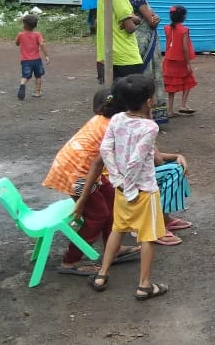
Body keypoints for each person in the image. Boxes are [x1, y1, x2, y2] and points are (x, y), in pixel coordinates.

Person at [85, 74, 169, 300]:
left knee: (118, 229)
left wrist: (117, 180)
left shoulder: (117, 119)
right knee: (148, 237)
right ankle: (144, 285)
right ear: (149, 101)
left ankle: (102, 275)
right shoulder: (150, 128)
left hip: (121, 189)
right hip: (142, 191)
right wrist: (129, 185)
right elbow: (137, 161)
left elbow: (105, 150)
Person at [43, 89, 141, 276]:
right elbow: (100, 165)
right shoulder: (112, 129)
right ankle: (70, 261)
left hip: (82, 169)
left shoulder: (104, 119)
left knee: (112, 201)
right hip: (76, 175)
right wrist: (81, 201)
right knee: (98, 216)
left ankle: (114, 248)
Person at [126, 0, 168, 123]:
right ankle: (149, 114)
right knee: (149, 76)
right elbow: (152, 21)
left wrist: (154, 18)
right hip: (144, 42)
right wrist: (155, 19)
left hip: (139, 41)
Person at [162, 5, 197, 117]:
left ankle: (170, 110)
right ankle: (183, 105)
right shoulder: (184, 30)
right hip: (181, 60)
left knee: (170, 85)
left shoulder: (166, 28)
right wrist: (188, 63)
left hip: (168, 59)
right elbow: (185, 48)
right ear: (182, 17)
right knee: (188, 80)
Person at [16, 13, 50, 100]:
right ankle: (38, 92)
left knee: (25, 76)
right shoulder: (37, 34)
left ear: (24, 24)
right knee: (38, 76)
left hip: (25, 61)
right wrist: (46, 56)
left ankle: (22, 84)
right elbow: (42, 44)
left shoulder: (21, 34)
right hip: (37, 60)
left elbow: (17, 43)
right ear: (35, 25)